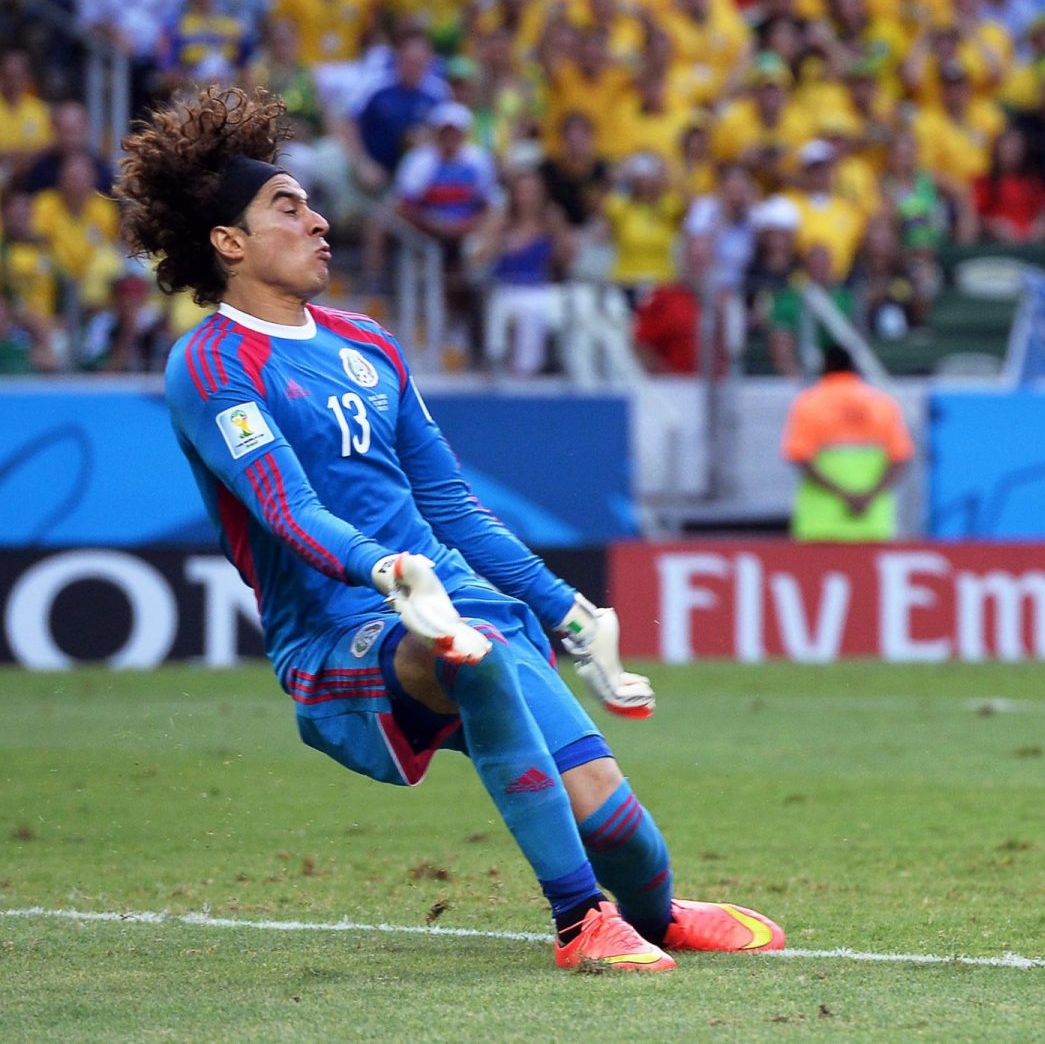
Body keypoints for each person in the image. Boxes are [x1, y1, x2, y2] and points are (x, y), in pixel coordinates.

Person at [116, 87, 782, 972]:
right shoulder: (211, 362)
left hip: (461, 602)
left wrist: (568, 612)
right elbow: (288, 509)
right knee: (471, 653)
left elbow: (453, 507)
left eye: (314, 203)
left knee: (616, 819)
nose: (318, 222)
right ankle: (580, 920)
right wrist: (390, 571)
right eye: (289, 207)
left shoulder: (369, 345)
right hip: (339, 634)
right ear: (229, 243)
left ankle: (657, 916)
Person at [780, 341, 914, 542]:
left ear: (825, 365)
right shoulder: (882, 404)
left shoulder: (809, 403)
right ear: (855, 366)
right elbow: (900, 459)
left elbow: (800, 458)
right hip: (872, 520)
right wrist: (867, 497)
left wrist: (844, 495)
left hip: (821, 522)